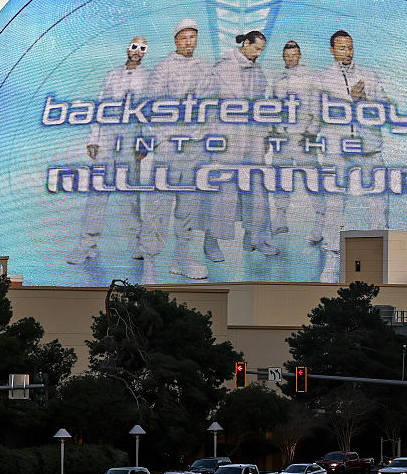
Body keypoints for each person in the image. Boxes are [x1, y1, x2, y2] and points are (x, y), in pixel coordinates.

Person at [67, 36, 151, 265]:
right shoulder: (112, 75)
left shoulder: (149, 78)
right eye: (134, 46)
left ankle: (137, 244)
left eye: (142, 48)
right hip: (107, 137)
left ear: (145, 53)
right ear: (127, 48)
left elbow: (151, 112)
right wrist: (94, 138)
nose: (137, 51)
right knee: (97, 192)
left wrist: (145, 142)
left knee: (129, 194)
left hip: (131, 139)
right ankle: (87, 245)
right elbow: (99, 107)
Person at [143, 18, 214, 280]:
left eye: (192, 37)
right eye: (184, 38)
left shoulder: (204, 69)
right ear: (176, 40)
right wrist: (162, 140)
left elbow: (209, 107)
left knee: (188, 207)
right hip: (169, 149)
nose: (188, 42)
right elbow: (152, 108)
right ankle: (149, 264)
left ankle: (181, 258)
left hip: (193, 148)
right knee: (159, 206)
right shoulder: (162, 69)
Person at [315, 30, 389, 282]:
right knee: (334, 204)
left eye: (350, 47)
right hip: (339, 149)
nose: (347, 52)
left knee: (378, 202)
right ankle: (332, 258)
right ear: (332, 50)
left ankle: (382, 259)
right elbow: (318, 112)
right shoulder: (323, 78)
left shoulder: (368, 75)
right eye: (342, 48)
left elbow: (386, 107)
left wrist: (364, 98)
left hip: (369, 147)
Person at [209, 30, 277, 256]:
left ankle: (255, 236)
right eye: (256, 48)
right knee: (223, 189)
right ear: (245, 43)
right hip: (228, 137)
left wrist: (266, 134)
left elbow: (262, 105)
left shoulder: (259, 71)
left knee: (257, 186)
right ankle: (211, 242)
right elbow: (210, 106)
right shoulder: (221, 67)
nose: (259, 54)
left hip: (253, 138)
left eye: (261, 50)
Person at [268, 40, 323, 246]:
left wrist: (311, 132)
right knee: (280, 179)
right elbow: (273, 107)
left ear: (300, 56)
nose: (290, 59)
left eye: (294, 55)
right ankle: (280, 218)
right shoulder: (278, 79)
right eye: (287, 56)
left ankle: (320, 221)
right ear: (283, 57)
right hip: (282, 138)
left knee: (312, 179)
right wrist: (273, 131)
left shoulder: (311, 78)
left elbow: (318, 108)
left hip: (303, 138)